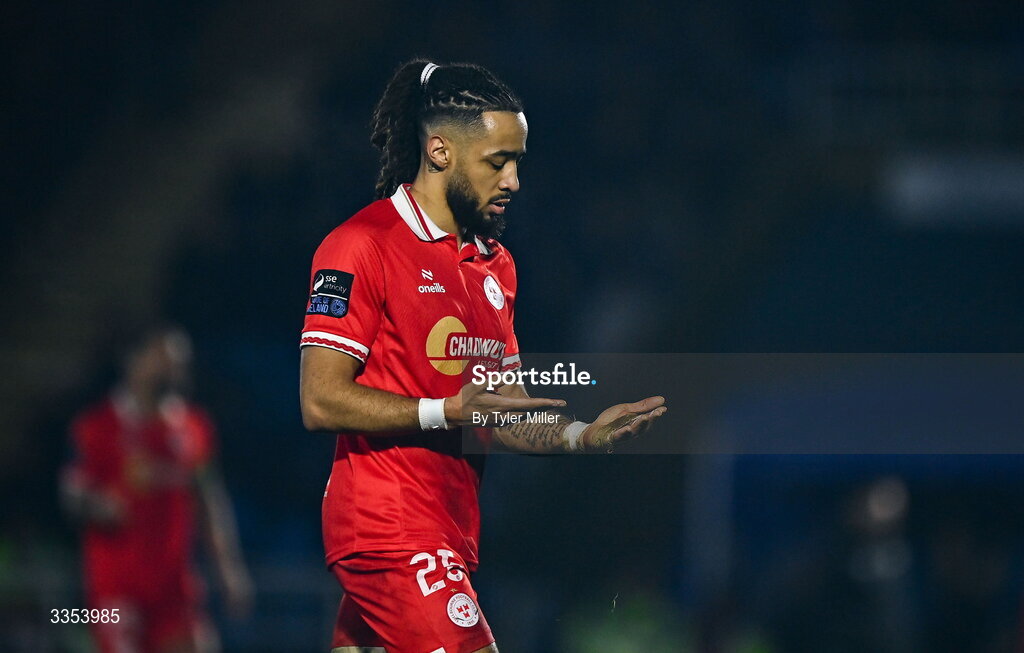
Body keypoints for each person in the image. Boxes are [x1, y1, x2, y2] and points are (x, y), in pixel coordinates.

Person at [299, 59, 667, 653]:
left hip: (446, 531)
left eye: (518, 161)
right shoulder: (360, 246)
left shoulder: (497, 266)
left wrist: (581, 435)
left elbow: (500, 411)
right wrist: (445, 410)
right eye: (498, 162)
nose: (514, 180)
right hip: (389, 527)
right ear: (440, 151)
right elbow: (319, 400)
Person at [62, 326, 253, 653]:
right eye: (163, 359)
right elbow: (72, 493)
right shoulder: (96, 426)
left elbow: (207, 499)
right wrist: (97, 505)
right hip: (117, 591)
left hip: (175, 589)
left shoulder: (194, 426)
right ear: (134, 362)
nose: (173, 369)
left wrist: (228, 567)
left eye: (179, 362)